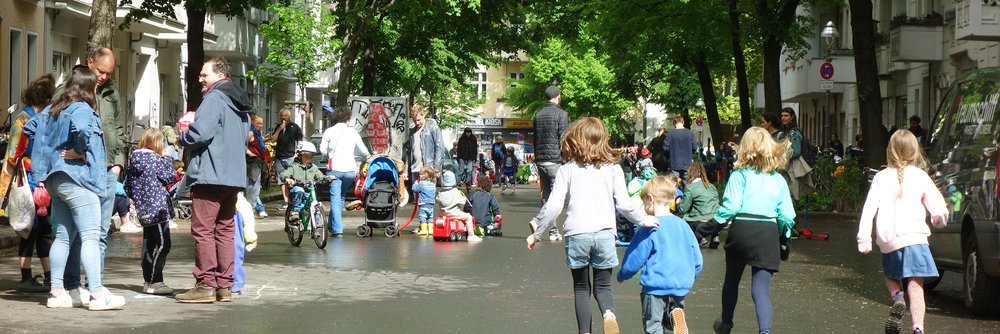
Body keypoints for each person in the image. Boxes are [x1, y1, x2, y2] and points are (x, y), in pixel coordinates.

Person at [525, 117, 659, 334]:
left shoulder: (567, 170)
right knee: (603, 286)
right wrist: (644, 220)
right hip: (605, 233)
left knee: (581, 288)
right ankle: (609, 314)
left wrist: (537, 233)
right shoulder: (614, 169)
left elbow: (554, 205)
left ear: (575, 139)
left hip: (577, 233)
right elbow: (624, 205)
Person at [25, 65, 127, 310]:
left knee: (62, 236)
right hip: (77, 180)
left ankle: (57, 293)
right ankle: (97, 294)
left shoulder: (54, 108)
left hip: (55, 180)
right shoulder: (81, 108)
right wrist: (79, 151)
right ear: (88, 87)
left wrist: (53, 149)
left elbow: (30, 127)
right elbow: (81, 130)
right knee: (91, 235)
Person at [693, 127, 795, 334]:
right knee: (761, 291)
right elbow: (787, 216)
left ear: (744, 149)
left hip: (742, 230)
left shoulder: (739, 176)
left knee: (732, 280)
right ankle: (765, 331)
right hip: (767, 232)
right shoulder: (778, 180)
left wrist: (706, 229)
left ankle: (726, 323)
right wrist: (784, 239)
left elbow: (730, 209)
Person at [175, 57, 252, 304]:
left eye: (203, 74)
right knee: (225, 230)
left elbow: (200, 134)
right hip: (234, 177)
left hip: (210, 174)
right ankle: (224, 286)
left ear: (219, 75)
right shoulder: (240, 103)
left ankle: (205, 284)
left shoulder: (214, 98)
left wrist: (182, 135)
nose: (200, 79)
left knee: (203, 230)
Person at [56, 48, 129, 302]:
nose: (104, 77)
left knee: (100, 231)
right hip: (80, 171)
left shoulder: (112, 93)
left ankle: (95, 284)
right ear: (90, 63)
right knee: (77, 231)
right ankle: (72, 284)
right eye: (100, 71)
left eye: (109, 73)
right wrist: (75, 152)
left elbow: (118, 129)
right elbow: (56, 121)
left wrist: (118, 163)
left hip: (107, 170)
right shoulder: (70, 89)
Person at [857, 130, 947, 334]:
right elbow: (938, 207)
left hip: (889, 240)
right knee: (916, 286)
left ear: (890, 150)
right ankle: (918, 327)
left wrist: (864, 239)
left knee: (891, 276)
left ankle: (897, 296)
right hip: (915, 237)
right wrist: (939, 219)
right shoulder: (921, 176)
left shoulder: (880, 177)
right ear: (915, 151)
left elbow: (869, 210)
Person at [618, 175, 703, 334]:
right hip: (679, 285)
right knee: (670, 323)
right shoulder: (683, 225)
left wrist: (623, 273)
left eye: (644, 202)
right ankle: (674, 313)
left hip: (655, 286)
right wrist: (689, 276)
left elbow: (636, 256)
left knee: (653, 326)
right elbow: (697, 259)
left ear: (650, 199)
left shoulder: (650, 226)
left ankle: (672, 315)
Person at [3, 74, 55, 292]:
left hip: (38, 184)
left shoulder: (30, 119)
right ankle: (34, 277)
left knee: (39, 231)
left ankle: (43, 277)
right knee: (33, 230)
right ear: (46, 99)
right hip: (32, 184)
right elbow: (14, 157)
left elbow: (13, 155)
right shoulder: (27, 120)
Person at [125, 128, 177, 296]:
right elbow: (170, 176)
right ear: (157, 143)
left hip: (144, 209)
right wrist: (168, 157)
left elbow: (127, 186)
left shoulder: (134, 160)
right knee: (163, 244)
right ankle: (156, 281)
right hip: (158, 209)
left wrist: (140, 199)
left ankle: (148, 280)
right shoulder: (156, 160)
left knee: (148, 243)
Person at [319, 107, 370, 237]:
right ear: (347, 119)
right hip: (350, 171)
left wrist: (329, 155)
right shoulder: (353, 132)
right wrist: (368, 157)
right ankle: (331, 225)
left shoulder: (329, 131)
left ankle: (337, 229)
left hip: (335, 170)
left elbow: (322, 150)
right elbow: (364, 151)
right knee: (341, 198)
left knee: (335, 199)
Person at [532, 85, 570, 240]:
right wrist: (567, 159)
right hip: (555, 160)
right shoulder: (562, 114)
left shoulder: (538, 115)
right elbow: (564, 139)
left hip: (540, 160)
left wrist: (537, 157)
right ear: (558, 96)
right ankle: (537, 221)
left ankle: (553, 232)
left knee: (547, 197)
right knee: (556, 198)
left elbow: (535, 139)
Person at [404, 105, 446, 198]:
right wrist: (406, 171)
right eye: (414, 120)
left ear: (423, 115)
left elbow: (439, 147)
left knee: (427, 199)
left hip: (428, 170)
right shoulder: (412, 131)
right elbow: (408, 152)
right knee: (416, 200)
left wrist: (436, 168)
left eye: (419, 120)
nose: (417, 122)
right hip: (415, 170)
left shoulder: (432, 127)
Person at [679, 162, 721, 248]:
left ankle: (700, 237)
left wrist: (678, 203)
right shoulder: (712, 186)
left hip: (700, 220)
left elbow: (683, 209)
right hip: (715, 219)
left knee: (684, 219)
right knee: (709, 212)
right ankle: (715, 236)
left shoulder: (690, 187)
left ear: (690, 172)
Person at [280, 142, 328, 215]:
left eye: (311, 156)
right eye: (306, 156)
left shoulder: (314, 167)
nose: (309, 158)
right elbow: (284, 174)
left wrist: (327, 178)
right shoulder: (294, 166)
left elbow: (320, 177)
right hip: (296, 190)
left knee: (314, 203)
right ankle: (296, 211)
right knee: (299, 190)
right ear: (300, 156)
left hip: (308, 190)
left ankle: (318, 220)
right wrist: (287, 179)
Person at [269, 108, 303, 209]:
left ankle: (294, 200)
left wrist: (296, 154)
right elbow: (273, 140)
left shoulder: (294, 127)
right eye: (282, 115)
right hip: (279, 157)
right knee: (282, 180)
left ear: (289, 116)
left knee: (292, 179)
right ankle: (286, 202)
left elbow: (300, 141)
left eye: (285, 115)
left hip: (290, 157)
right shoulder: (278, 127)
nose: (283, 117)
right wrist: (279, 129)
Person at [780, 107, 815, 201]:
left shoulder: (793, 133)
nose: (783, 118)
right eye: (782, 116)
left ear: (792, 117)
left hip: (793, 167)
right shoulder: (790, 132)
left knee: (791, 193)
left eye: (786, 115)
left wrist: (784, 156)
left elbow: (796, 152)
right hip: (792, 166)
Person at [437, 170, 482, 242]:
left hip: (443, 213)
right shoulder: (456, 191)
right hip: (454, 213)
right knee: (468, 217)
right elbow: (462, 202)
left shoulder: (441, 192)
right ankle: (471, 235)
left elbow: (438, 200)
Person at [246, 114, 271, 219]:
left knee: (255, 187)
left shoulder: (258, 133)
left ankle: (254, 209)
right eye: (258, 123)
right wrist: (249, 153)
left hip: (259, 162)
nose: (260, 125)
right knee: (252, 187)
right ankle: (250, 210)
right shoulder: (251, 132)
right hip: (252, 163)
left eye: (261, 123)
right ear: (252, 122)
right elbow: (242, 144)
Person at [662, 116, 697, 182]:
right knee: (687, 184)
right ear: (683, 122)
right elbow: (694, 148)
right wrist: (689, 154)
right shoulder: (690, 133)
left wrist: (670, 156)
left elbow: (665, 148)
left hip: (674, 163)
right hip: (687, 164)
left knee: (674, 184)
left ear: (674, 123)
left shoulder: (669, 134)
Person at [411, 166, 437, 236]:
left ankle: (423, 230)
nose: (419, 176)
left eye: (421, 174)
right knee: (430, 217)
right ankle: (431, 230)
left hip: (423, 203)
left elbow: (414, 189)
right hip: (431, 204)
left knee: (422, 216)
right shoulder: (433, 184)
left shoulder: (421, 184)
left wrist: (416, 183)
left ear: (425, 176)